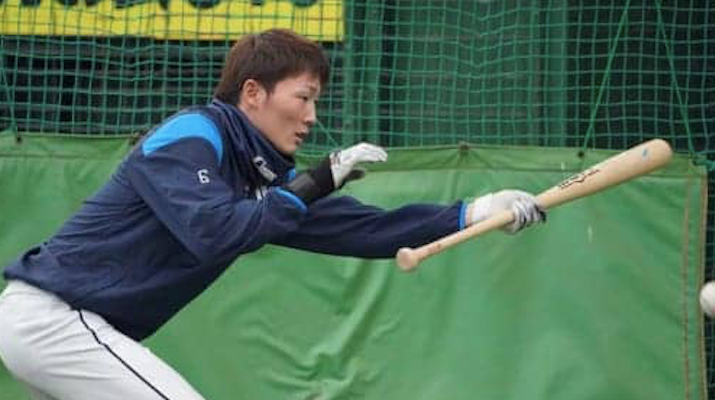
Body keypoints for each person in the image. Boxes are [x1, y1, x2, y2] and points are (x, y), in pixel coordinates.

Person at [0, 29, 544, 400]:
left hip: (74, 330)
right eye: (303, 97)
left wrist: (476, 211)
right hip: (55, 320)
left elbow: (361, 228)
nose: (312, 116)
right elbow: (214, 231)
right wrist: (315, 182)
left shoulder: (257, 176)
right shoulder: (190, 134)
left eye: (317, 101)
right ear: (253, 93)